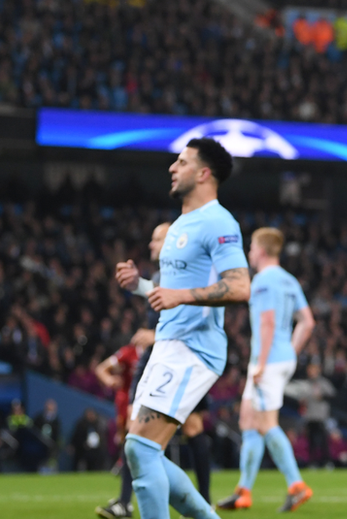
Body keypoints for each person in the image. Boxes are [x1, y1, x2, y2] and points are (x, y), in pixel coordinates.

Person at [115, 137, 250, 519]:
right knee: (142, 449)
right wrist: (139, 286)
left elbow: (240, 286)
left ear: (204, 173)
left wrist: (182, 296)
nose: (172, 168)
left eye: (182, 162)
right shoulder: (179, 226)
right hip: (169, 344)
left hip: (193, 348)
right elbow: (168, 293)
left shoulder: (219, 222)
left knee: (141, 449)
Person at [105, 221, 216, 517]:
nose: (152, 245)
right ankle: (125, 501)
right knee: (137, 435)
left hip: (181, 359)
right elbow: (155, 296)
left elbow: (195, 317)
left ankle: (204, 500)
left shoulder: (188, 275)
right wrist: (136, 284)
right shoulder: (157, 276)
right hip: (155, 358)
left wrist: (154, 335)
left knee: (186, 430)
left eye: (158, 239)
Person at [217, 227, 315, 513]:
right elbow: (307, 322)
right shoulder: (289, 280)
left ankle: (296, 485)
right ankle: (243, 491)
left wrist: (261, 361)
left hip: (267, 360)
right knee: (248, 419)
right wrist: (291, 352)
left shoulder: (262, 281)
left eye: (250, 248)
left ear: (260, 249)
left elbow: (268, 322)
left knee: (265, 422)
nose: (249, 252)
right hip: (280, 358)